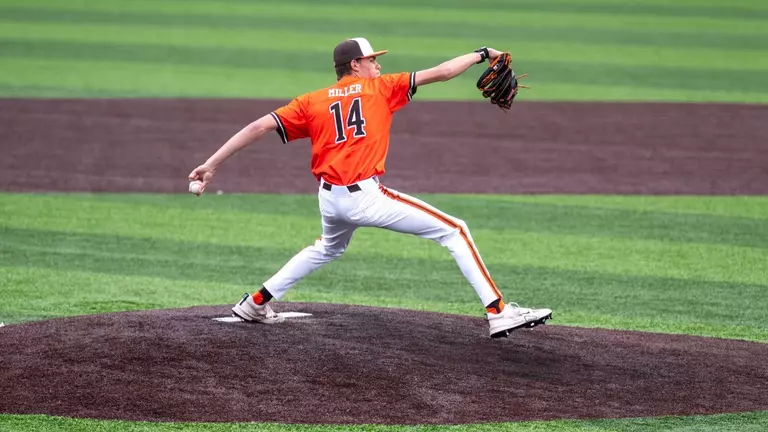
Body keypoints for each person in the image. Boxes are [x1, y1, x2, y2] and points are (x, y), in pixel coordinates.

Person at [188, 37, 552, 338]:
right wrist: (480, 53)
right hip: (365, 197)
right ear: (356, 65)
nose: (378, 65)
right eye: (372, 60)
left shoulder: (311, 102)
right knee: (455, 230)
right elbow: (441, 72)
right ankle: (499, 312)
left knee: (327, 248)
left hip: (330, 199)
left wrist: (212, 163)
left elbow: (258, 126)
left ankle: (256, 301)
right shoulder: (382, 88)